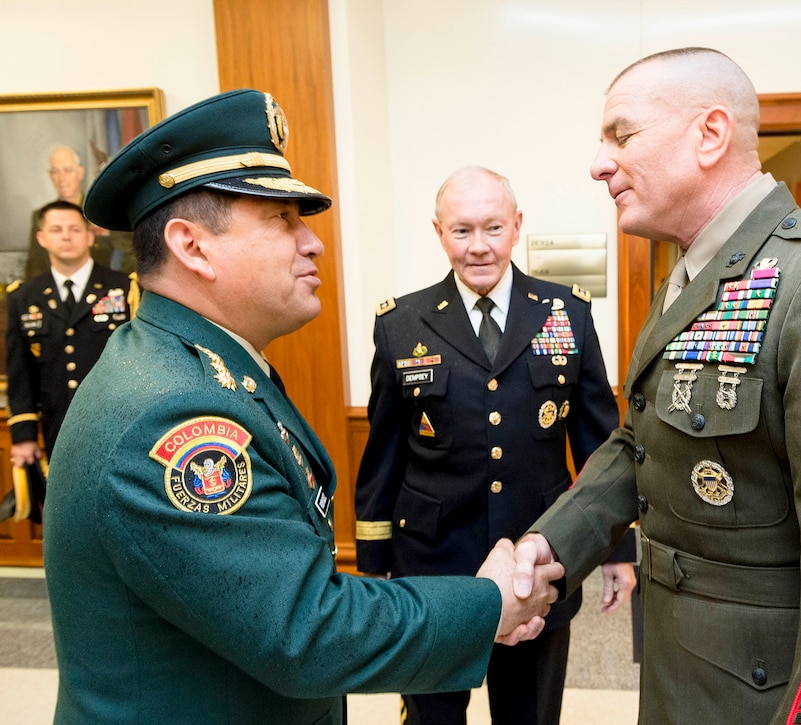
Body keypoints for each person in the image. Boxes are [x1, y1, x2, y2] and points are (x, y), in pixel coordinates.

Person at [42, 89, 562, 725]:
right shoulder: (172, 413)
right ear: (193, 246)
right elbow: (304, 629)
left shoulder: (206, 367)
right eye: (282, 220)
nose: (312, 243)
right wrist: (488, 604)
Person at [513, 47, 801, 724]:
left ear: (711, 134)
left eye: (621, 134)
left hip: (774, 698)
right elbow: (640, 443)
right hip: (684, 674)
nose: (599, 162)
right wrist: (550, 544)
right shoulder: (688, 279)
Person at [354, 165, 635, 725]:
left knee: (529, 713)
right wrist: (373, 561)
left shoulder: (566, 313)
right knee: (432, 714)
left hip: (540, 555)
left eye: (492, 228)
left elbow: (602, 445)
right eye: (461, 231)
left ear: (517, 226)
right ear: (439, 232)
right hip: (433, 565)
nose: (478, 247)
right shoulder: (400, 323)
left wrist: (617, 549)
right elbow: (383, 453)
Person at [0, 200, 134, 521]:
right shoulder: (24, 297)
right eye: (56, 230)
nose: (66, 236)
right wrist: (23, 435)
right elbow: (20, 373)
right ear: (42, 238)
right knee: (69, 516)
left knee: (122, 511)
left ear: (89, 237)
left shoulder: (124, 288)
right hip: (58, 427)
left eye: (75, 229)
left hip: (120, 423)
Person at [25, 145, 135, 278]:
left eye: (67, 170)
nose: (61, 178)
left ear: (80, 173)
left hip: (103, 289)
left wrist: (119, 286)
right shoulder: (40, 216)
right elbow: (35, 266)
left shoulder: (100, 210)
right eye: (55, 171)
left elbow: (129, 253)